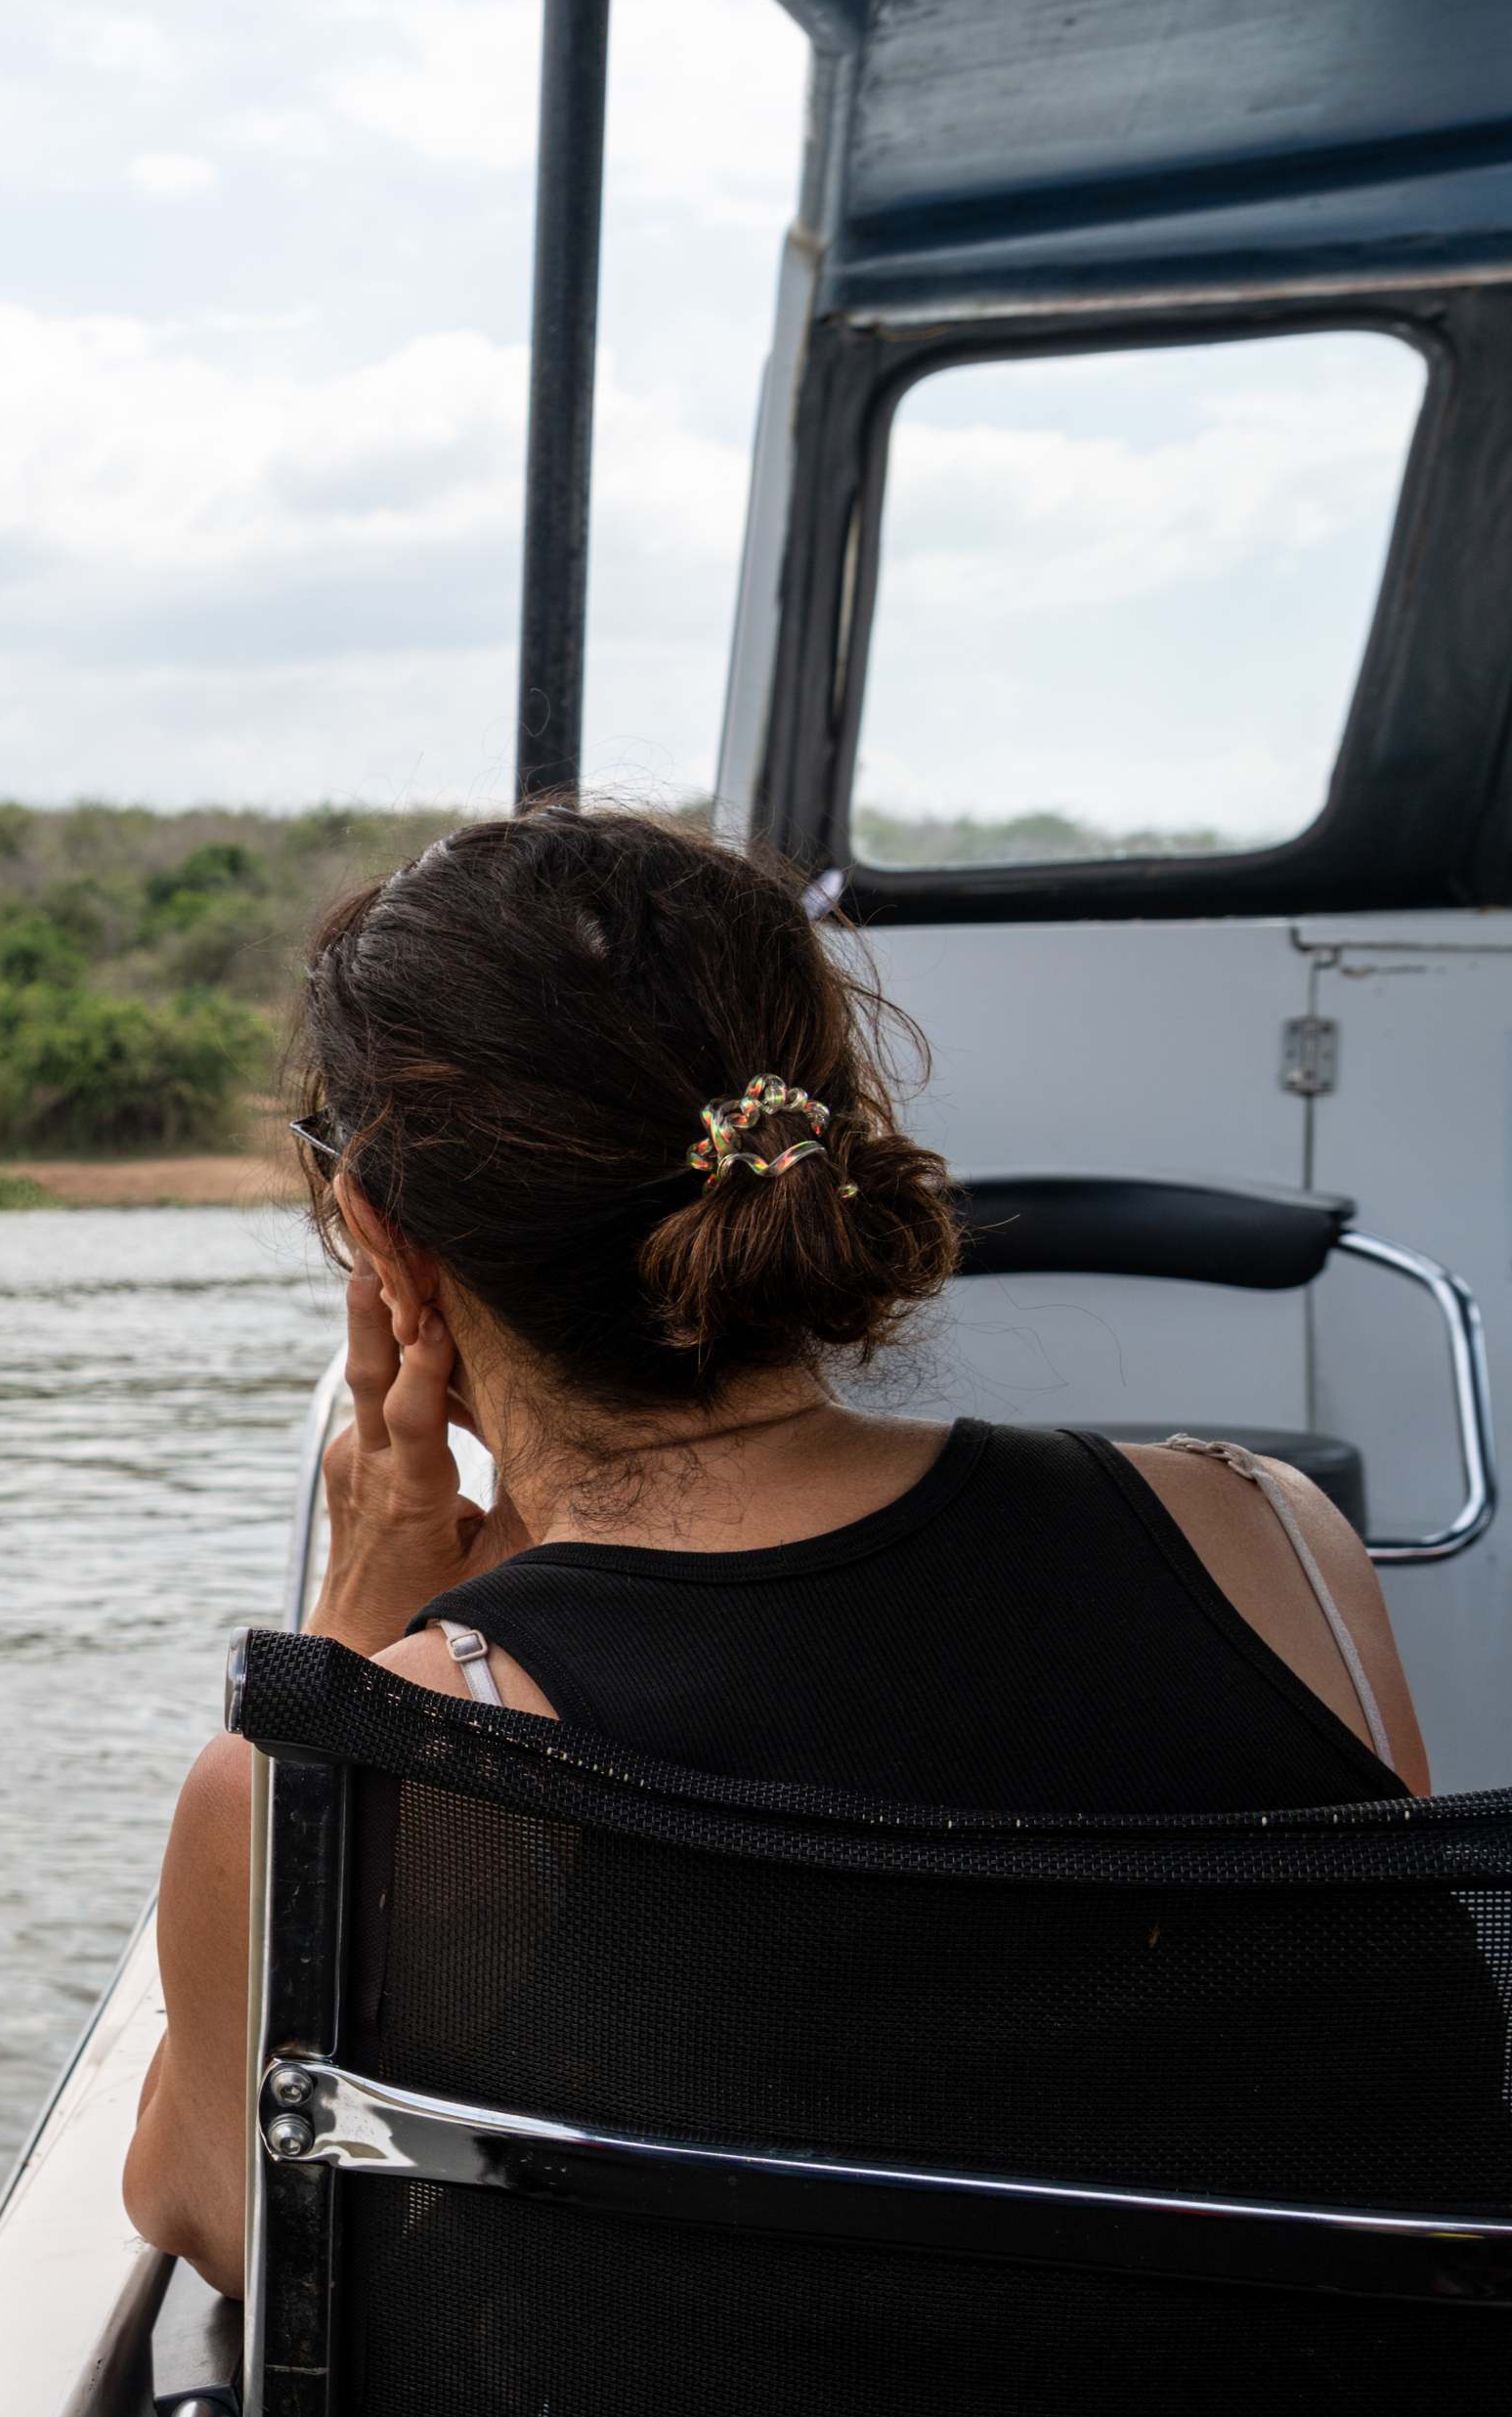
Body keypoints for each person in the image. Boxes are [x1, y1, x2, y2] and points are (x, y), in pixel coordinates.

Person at [120, 808, 1431, 2296]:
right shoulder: (1273, 1540)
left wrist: (352, 1647)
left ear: (384, 1244)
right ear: (812, 1141)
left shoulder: (419, 1763)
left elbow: (222, 2221)